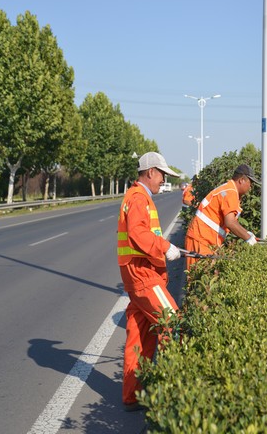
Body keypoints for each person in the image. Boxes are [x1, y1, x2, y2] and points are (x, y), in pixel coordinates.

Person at [117, 152, 182, 411]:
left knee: (139, 335)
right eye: (162, 175)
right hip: (142, 275)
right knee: (172, 322)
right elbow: (138, 233)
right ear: (150, 172)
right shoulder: (138, 198)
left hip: (137, 274)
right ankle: (169, 392)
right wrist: (165, 246)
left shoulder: (139, 196)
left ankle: (133, 395)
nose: (163, 180)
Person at [184, 164, 259, 270]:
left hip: (204, 239)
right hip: (201, 239)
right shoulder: (230, 192)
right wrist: (248, 238)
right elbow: (230, 223)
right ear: (242, 180)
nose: (250, 187)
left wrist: (247, 234)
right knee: (196, 279)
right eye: (250, 183)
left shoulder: (229, 189)